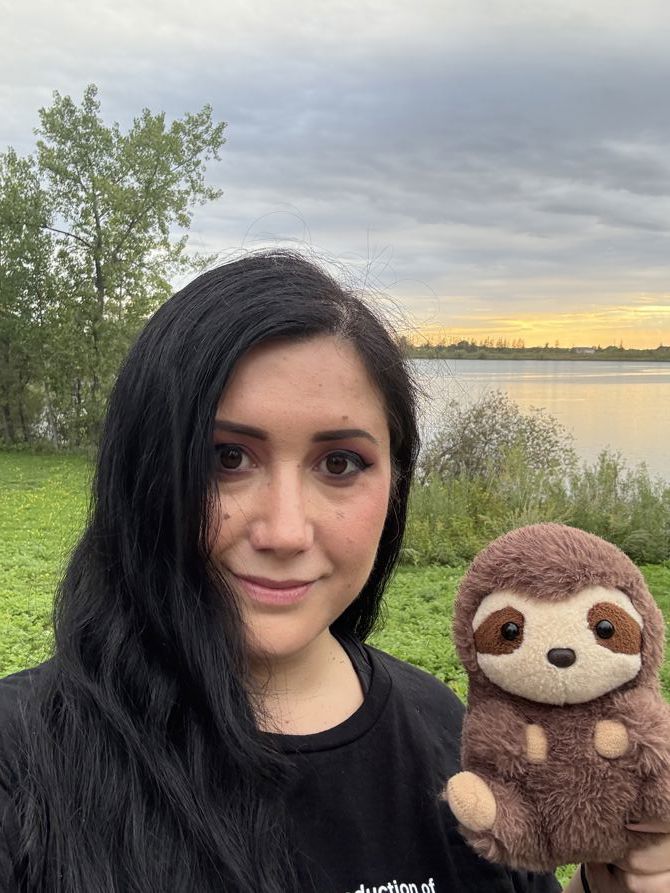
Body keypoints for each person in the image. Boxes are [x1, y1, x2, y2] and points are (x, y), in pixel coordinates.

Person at [0, 252, 668, 892]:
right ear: (140, 472)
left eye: (340, 464)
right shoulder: (21, 758)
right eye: (226, 457)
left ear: (395, 486)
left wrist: (610, 882)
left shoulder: (446, 730)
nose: (286, 531)